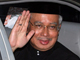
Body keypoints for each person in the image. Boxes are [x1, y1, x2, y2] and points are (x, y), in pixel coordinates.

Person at [4, 3, 80, 60]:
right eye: (39, 25)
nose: (45, 33)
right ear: (27, 27)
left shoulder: (69, 58)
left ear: (58, 29)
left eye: (52, 27)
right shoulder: (13, 52)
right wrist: (10, 48)